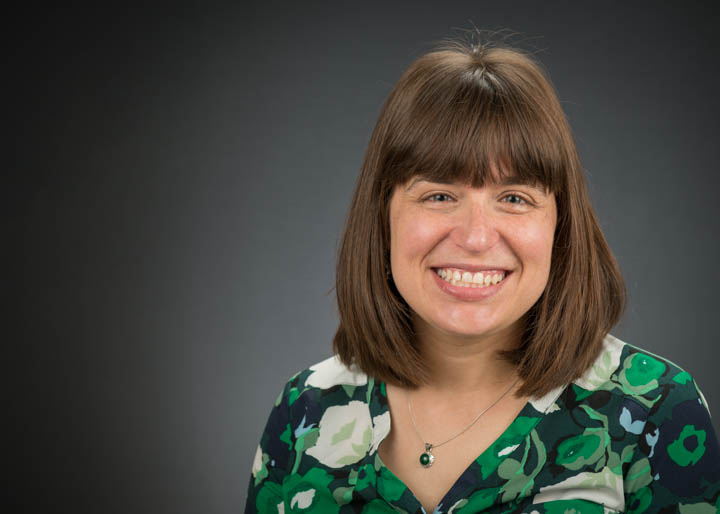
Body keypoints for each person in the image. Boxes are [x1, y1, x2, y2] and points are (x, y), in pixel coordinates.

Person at [245, 38, 720, 513]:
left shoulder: (655, 410)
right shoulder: (304, 408)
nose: (475, 238)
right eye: (438, 196)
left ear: (561, 225)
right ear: (383, 216)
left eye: (514, 198)